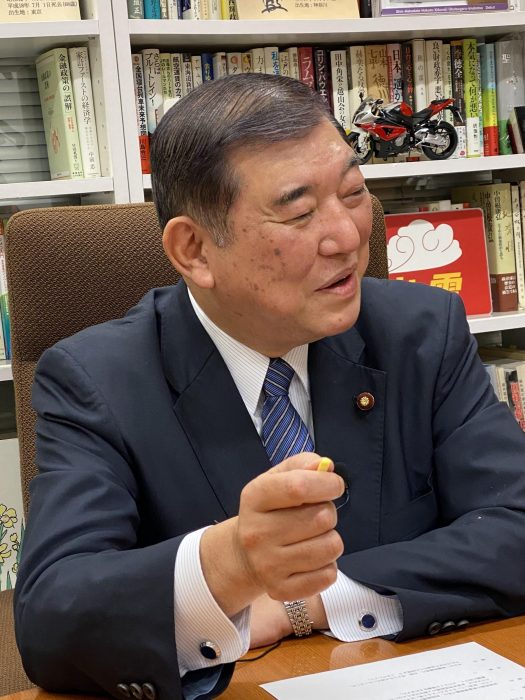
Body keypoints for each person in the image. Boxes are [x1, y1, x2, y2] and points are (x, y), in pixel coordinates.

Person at [14, 73, 525, 700]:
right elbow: (52, 620)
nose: (348, 237)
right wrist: (230, 562)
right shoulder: (97, 380)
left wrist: (303, 602)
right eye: (300, 213)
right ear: (194, 250)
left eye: (354, 193)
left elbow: (515, 523)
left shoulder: (421, 332)